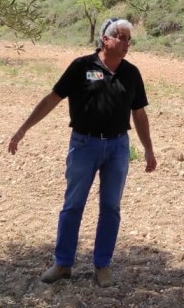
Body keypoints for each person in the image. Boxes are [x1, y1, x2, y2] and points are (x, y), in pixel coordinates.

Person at [8, 17, 156, 288]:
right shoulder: (82, 67)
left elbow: (139, 112)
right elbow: (53, 98)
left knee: (111, 207)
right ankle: (63, 263)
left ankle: (102, 265)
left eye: (128, 39)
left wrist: (148, 149)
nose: (126, 44)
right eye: (121, 38)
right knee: (73, 204)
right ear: (105, 39)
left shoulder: (131, 73)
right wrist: (23, 129)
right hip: (84, 145)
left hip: (118, 147)